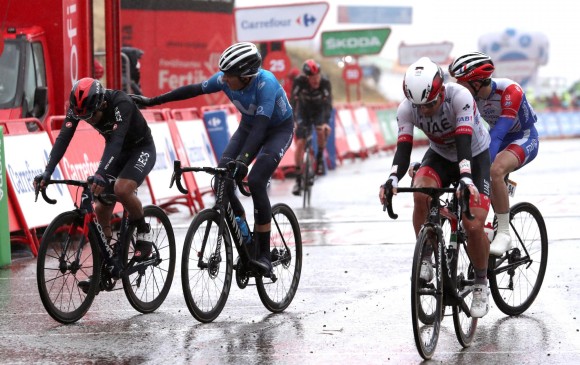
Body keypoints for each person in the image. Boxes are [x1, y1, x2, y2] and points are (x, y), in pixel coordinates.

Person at [131, 42, 294, 275]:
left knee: (256, 180)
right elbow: (193, 90)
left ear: (246, 76)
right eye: (224, 74)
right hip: (249, 127)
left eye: (229, 75)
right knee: (221, 180)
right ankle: (245, 236)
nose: (224, 79)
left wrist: (244, 162)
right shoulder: (227, 79)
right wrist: (152, 101)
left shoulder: (266, 84)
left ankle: (265, 255)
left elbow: (260, 130)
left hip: (277, 130)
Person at [378, 57, 492, 318]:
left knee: (473, 224)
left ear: (441, 91)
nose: (425, 110)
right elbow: (403, 148)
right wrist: (393, 179)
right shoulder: (407, 109)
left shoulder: (460, 97)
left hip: (473, 155)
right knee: (420, 192)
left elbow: (463, 142)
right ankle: (427, 256)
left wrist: (466, 178)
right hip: (440, 155)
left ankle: (480, 284)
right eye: (420, 106)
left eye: (430, 103)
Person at [33, 77, 157, 290]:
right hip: (117, 152)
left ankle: (144, 232)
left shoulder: (121, 103)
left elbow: (117, 141)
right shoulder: (79, 108)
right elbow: (63, 138)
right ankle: (104, 265)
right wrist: (47, 171)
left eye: (91, 116)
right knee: (100, 207)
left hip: (140, 149)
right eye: (84, 117)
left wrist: (101, 173)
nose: (89, 121)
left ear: (102, 104)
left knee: (121, 189)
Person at [448, 52, 539, 256]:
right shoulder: (468, 98)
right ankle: (487, 224)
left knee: (494, 170)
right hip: (497, 138)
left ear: (478, 82)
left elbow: (497, 134)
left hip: (522, 137)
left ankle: (504, 233)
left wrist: (479, 167)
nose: (458, 87)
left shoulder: (510, 90)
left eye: (462, 82)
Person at [289, 59, 333, 196]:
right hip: (304, 111)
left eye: (317, 77)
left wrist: (325, 122)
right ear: (306, 77)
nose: (315, 80)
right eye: (312, 78)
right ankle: (298, 180)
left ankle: (319, 158)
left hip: (319, 110)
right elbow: (292, 101)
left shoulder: (325, 83)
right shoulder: (299, 81)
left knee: (321, 130)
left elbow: (328, 104)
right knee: (300, 142)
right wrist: (293, 120)